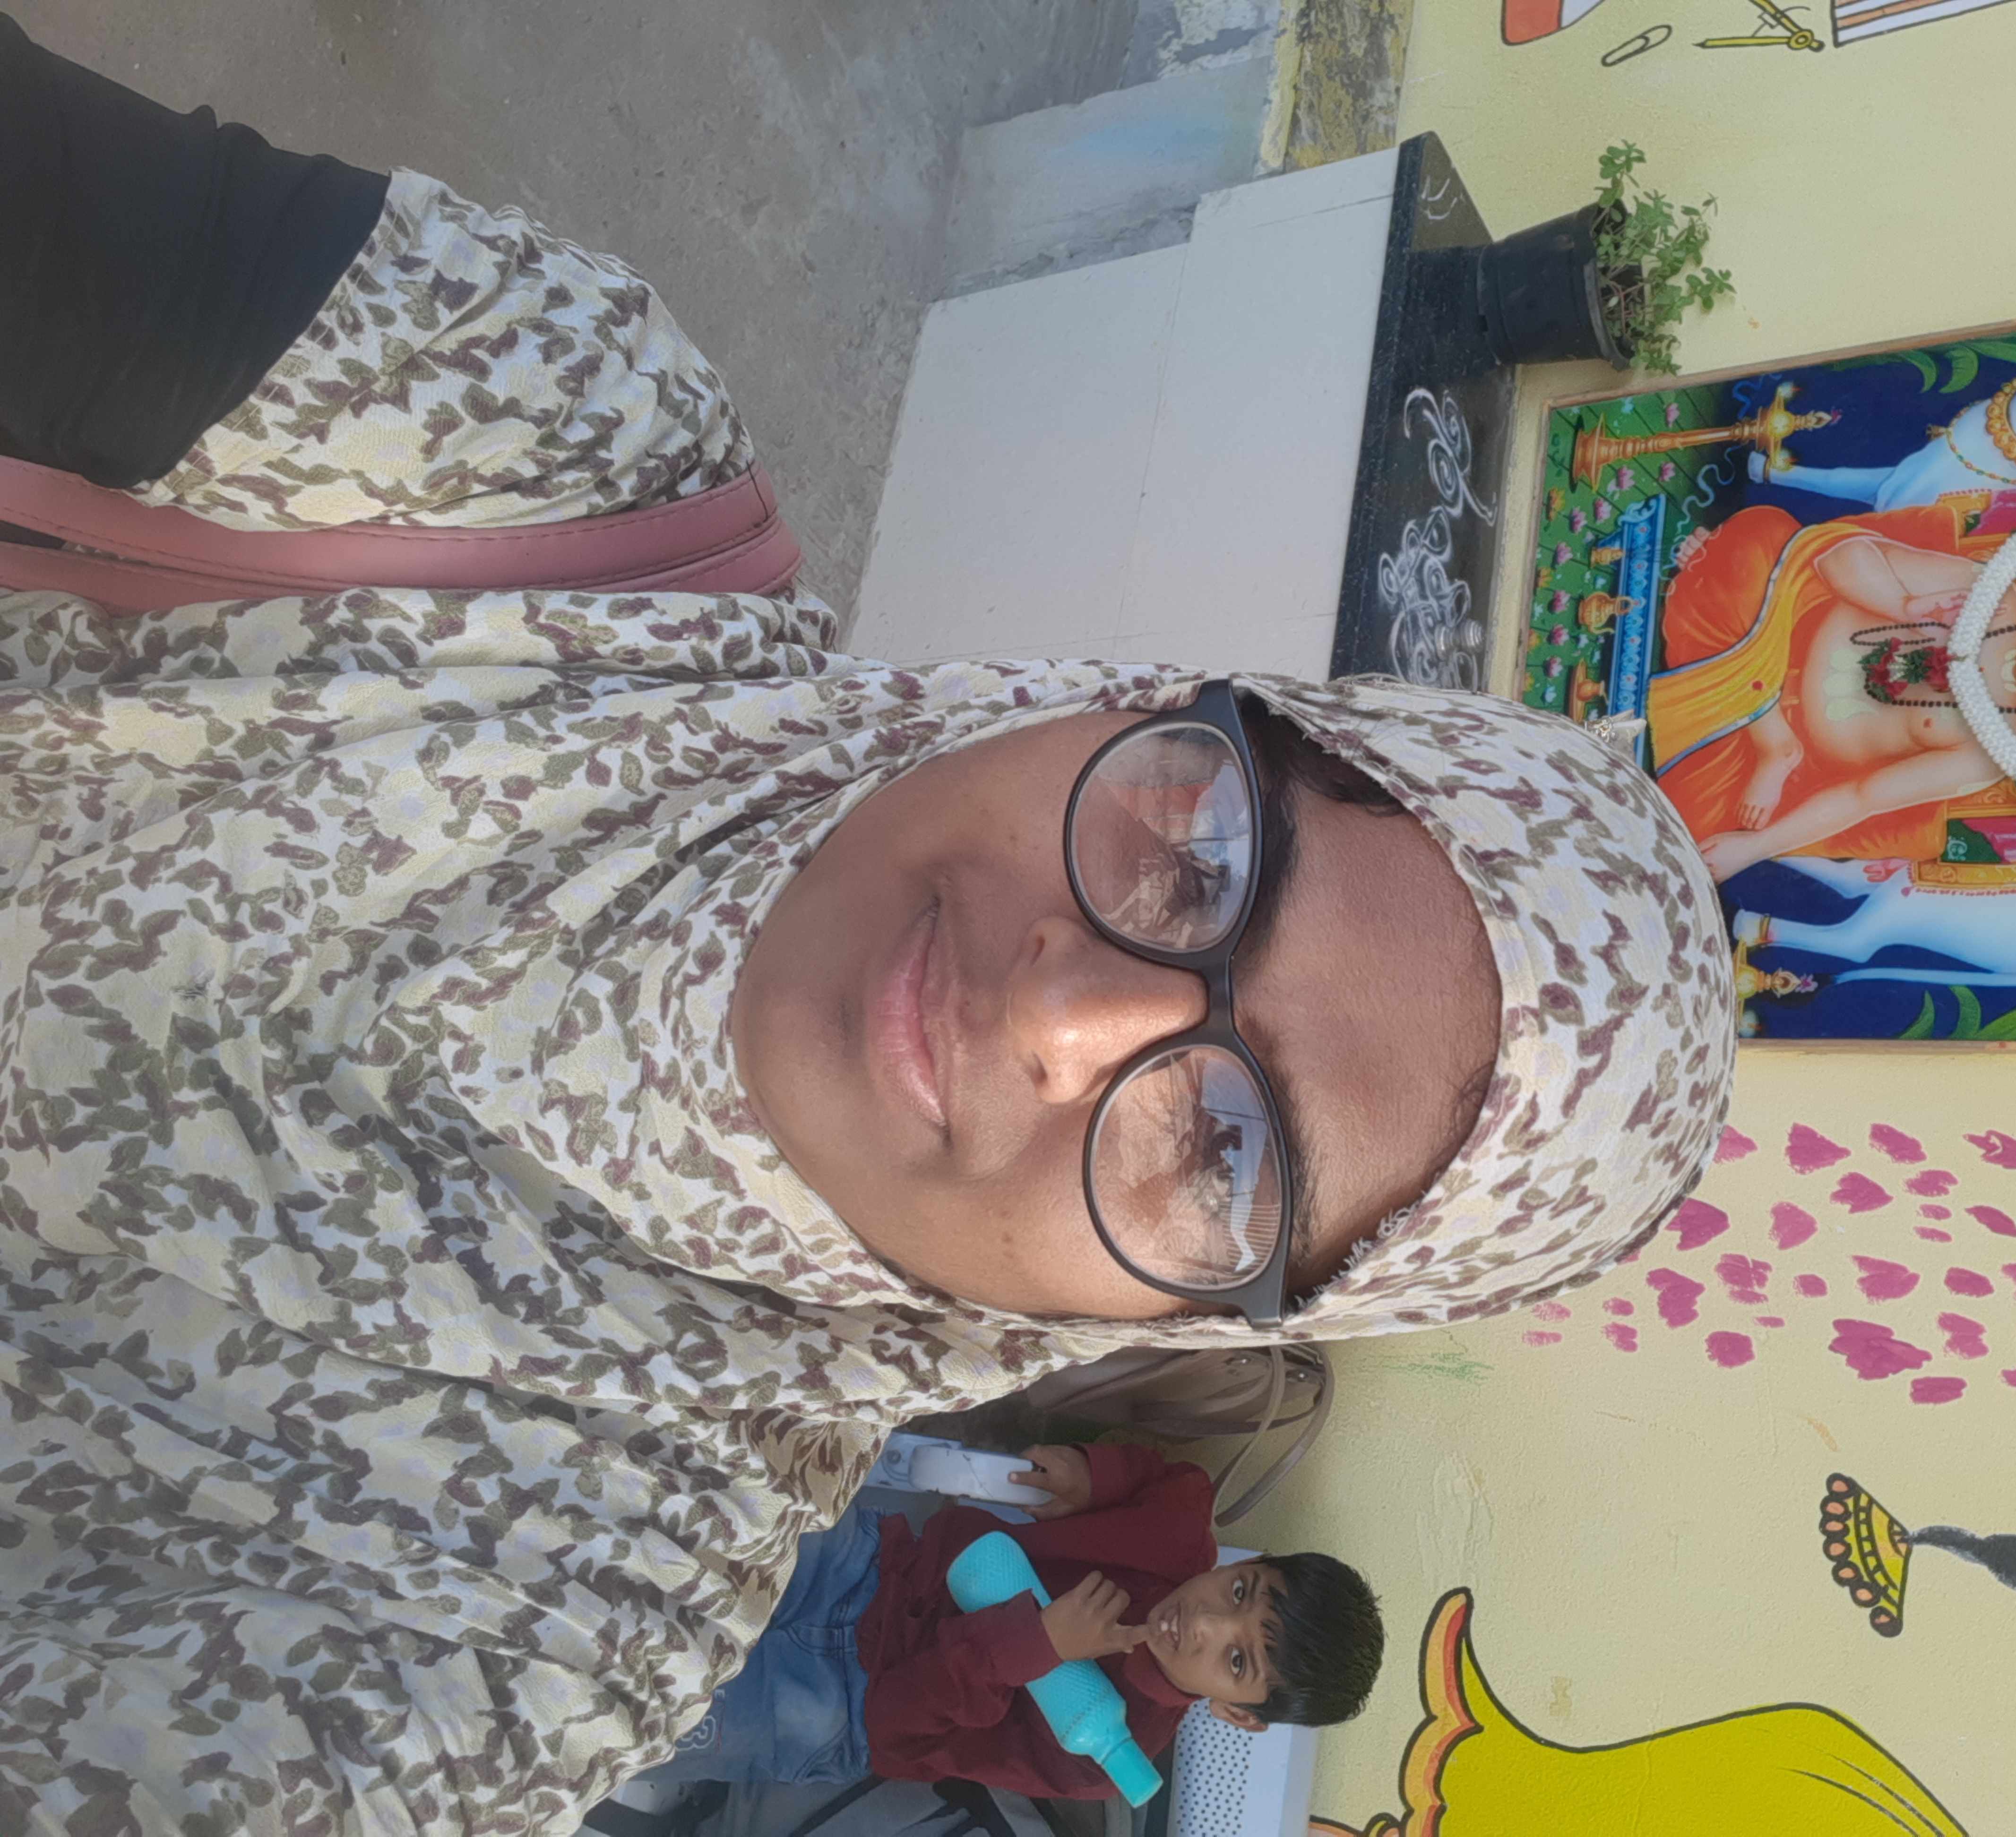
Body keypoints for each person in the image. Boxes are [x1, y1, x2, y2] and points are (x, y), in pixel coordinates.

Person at [0, 18, 1734, 1837]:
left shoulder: (522, 1635)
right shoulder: (545, 453)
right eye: (1199, 849)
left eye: (1222, 1155)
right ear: (1138, 699)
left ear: (1178, 1313)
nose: (1067, 1017)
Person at [633, 1442, 1382, 1798]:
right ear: (1252, 1563)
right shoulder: (1179, 1537)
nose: (1207, 1621)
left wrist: (1035, 1647)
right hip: (871, 1565)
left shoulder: (1103, 1751)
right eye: (1242, 1590)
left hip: (837, 1705)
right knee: (649, 1528)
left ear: (1237, 1714)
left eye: (1238, 1661)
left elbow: (896, 1731)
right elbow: (1178, 1478)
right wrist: (1094, 1477)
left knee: (629, 1704)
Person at [1644, 504, 2016, 881]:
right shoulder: (1993, 599)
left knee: (1700, 820)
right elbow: (1840, 556)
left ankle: (1768, 733)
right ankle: (1765, 730)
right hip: (1774, 628)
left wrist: (1755, 849)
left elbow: (1862, 798)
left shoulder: (1993, 750)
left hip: (1753, 752)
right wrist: (1903, 606)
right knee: (1757, 542)